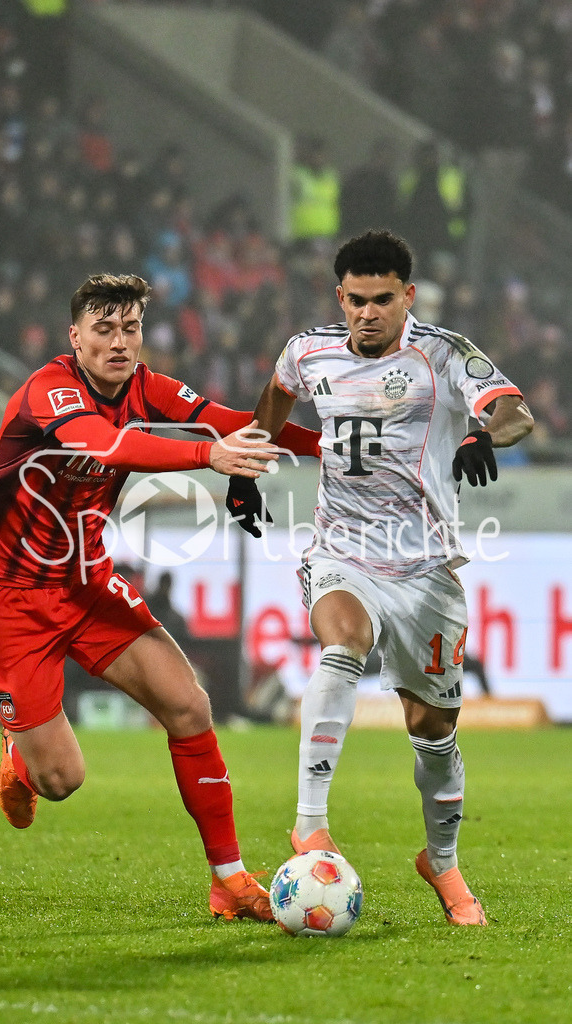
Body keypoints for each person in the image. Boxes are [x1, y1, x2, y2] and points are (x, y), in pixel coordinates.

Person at [0, 273, 321, 923]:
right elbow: (104, 443)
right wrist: (210, 457)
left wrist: (329, 448)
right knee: (61, 781)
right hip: (10, 601)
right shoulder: (49, 390)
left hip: (87, 582)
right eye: (105, 330)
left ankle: (230, 880)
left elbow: (235, 422)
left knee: (188, 705)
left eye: (130, 329)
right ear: (76, 337)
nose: (120, 343)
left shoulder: (145, 386)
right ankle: (18, 747)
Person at [228, 231, 533, 926]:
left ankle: (443, 864)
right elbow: (275, 401)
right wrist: (249, 466)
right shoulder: (308, 352)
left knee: (432, 732)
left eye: (383, 300)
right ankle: (310, 825)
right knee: (343, 644)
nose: (369, 313)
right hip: (342, 551)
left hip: (425, 569)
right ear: (341, 297)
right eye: (357, 300)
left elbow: (516, 411)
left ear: (408, 298)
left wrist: (483, 433)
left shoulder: (445, 354)